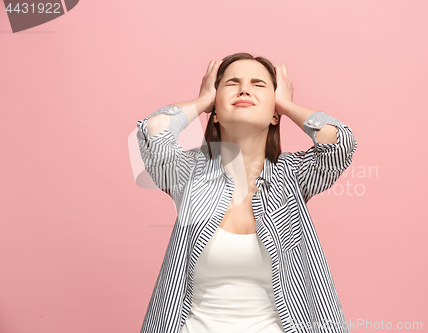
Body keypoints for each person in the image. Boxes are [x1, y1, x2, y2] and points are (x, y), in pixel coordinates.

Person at [136, 52, 357, 333]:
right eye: (231, 83)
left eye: (258, 84)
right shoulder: (188, 174)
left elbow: (339, 142)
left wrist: (286, 105)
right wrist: (203, 101)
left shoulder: (294, 175)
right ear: (215, 111)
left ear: (275, 113)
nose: (244, 89)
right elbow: (153, 131)